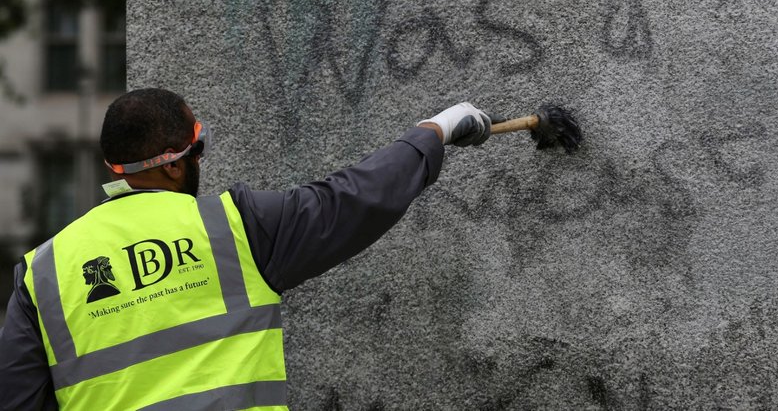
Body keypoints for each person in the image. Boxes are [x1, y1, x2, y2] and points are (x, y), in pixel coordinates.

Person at [0, 88, 493, 410]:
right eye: (200, 144)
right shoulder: (233, 226)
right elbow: (356, 198)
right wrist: (438, 129)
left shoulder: (41, 274)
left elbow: (18, 399)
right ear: (174, 165)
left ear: (116, 168)